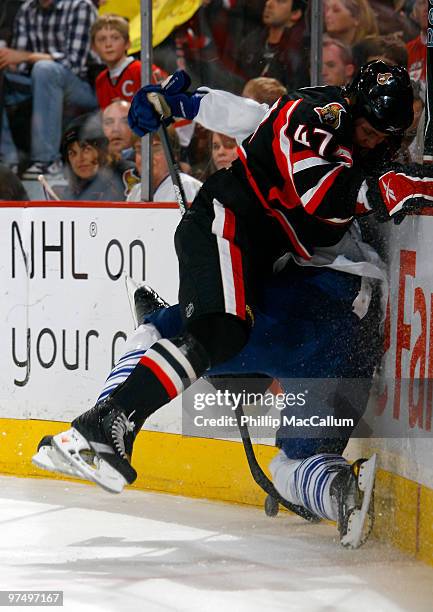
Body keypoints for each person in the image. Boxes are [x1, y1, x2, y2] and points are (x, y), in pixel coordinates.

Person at [34, 62, 433, 548]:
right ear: (351, 105)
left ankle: (329, 487)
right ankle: (102, 424)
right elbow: (318, 192)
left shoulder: (361, 141)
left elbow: (254, 118)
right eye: (368, 130)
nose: (373, 142)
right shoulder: (317, 115)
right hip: (229, 222)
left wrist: (189, 103)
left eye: (383, 135)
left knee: (213, 335)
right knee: (220, 329)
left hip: (275, 268)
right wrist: (396, 188)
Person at [0, 0, 98, 179]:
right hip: (37, 80)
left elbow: (74, 63)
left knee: (45, 69)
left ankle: (47, 162)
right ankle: (7, 159)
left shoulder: (80, 6)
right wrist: (7, 60)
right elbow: (21, 65)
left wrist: (26, 57)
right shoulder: (27, 9)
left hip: (81, 86)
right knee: (28, 72)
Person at [91, 13, 167, 110]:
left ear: (127, 43)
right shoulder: (101, 81)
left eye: (115, 38)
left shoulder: (143, 70)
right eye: (102, 39)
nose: (108, 44)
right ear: (93, 47)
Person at [235, 0, 309, 91]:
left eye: (280, 1)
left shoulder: (301, 50)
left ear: (295, 13)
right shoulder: (250, 42)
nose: (269, 4)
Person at [60, 113, 127, 202]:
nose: (80, 159)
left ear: (102, 150)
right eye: (72, 153)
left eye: (86, 150)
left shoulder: (127, 177)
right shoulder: (66, 195)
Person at [127, 128, 202, 203]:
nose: (146, 157)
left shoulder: (185, 186)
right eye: (140, 150)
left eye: (155, 149)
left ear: (173, 154)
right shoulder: (135, 192)